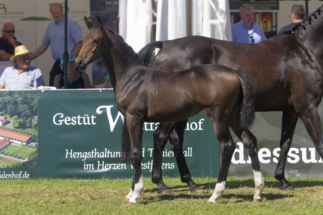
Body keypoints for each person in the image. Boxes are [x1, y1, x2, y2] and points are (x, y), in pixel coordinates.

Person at [31, 3, 83, 86]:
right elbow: (44, 45)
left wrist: (71, 59)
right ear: (51, 14)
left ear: (62, 11)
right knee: (53, 84)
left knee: (73, 87)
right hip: (58, 62)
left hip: (71, 63)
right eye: (53, 13)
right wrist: (31, 57)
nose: (56, 15)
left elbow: (80, 43)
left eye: (58, 12)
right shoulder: (50, 27)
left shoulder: (71, 24)